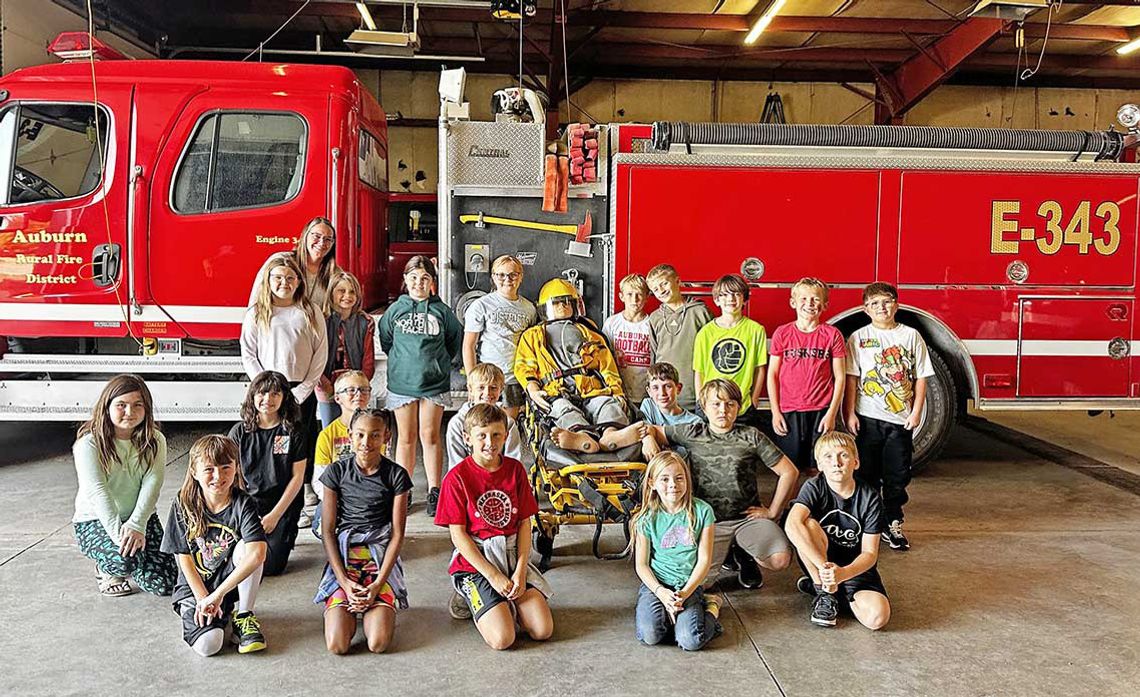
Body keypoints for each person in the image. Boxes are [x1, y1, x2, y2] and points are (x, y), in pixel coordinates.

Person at [645, 379, 797, 591]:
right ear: (704, 407)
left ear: (738, 407)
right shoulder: (693, 432)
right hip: (709, 522)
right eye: (716, 404)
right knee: (699, 585)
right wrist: (648, 439)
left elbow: (789, 471)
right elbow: (651, 429)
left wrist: (773, 511)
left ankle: (744, 553)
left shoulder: (751, 436)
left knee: (779, 559)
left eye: (730, 404)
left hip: (746, 518)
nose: (723, 410)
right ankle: (727, 550)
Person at [434, 403, 554, 650]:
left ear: (506, 436)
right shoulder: (456, 478)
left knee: (542, 630)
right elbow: (458, 535)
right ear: (467, 438)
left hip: (510, 555)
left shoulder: (515, 470)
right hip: (476, 562)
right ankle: (471, 595)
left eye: (497, 435)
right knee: (503, 639)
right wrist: (493, 576)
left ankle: (505, 603)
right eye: (482, 436)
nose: (490, 442)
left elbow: (523, 523)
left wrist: (520, 570)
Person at [844, 282, 934, 552]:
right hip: (867, 419)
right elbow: (852, 378)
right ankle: (866, 522)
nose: (881, 308)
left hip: (900, 421)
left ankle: (893, 522)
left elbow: (920, 378)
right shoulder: (858, 337)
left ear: (896, 304)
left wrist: (917, 411)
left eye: (886, 301)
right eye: (874, 303)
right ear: (865, 309)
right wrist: (849, 413)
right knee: (866, 474)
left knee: (897, 475)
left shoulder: (911, 336)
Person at [241, 254, 328, 529]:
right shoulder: (258, 312)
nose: (284, 282)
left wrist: (303, 390)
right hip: (267, 394)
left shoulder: (310, 311)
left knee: (298, 446)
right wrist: (264, 388)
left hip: (300, 391)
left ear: (298, 282)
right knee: (270, 450)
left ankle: (301, 497)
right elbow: (248, 353)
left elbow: (320, 354)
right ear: (268, 281)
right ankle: (267, 503)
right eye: (278, 278)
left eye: (290, 278)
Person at [161, 435, 269, 656]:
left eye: (225, 467)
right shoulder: (183, 503)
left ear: (236, 468)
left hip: (225, 587)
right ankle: (215, 613)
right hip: (194, 588)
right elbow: (184, 559)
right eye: (209, 469)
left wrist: (218, 594)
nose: (218, 476)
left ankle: (244, 615)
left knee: (248, 550)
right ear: (194, 471)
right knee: (209, 645)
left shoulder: (243, 502)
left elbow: (258, 554)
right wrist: (203, 598)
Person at [315, 409, 412, 654]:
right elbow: (328, 531)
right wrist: (345, 583)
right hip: (345, 562)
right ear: (350, 435)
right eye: (360, 435)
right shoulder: (336, 473)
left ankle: (375, 604)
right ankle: (347, 601)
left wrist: (379, 584)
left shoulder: (396, 475)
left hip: (378, 563)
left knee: (378, 643)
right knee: (337, 645)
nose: (366, 443)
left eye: (374, 435)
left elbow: (397, 534)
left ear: (386, 437)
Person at [72, 374, 176, 597]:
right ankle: (106, 569)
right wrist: (121, 536)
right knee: (125, 558)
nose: (129, 412)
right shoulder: (88, 444)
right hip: (97, 520)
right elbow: (97, 490)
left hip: (141, 518)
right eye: (121, 405)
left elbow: (153, 482)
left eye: (137, 405)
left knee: (166, 584)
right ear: (107, 407)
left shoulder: (155, 439)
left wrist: (137, 525)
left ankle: (138, 562)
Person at [514, 278, 645, 454]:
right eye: (558, 303)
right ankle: (581, 436)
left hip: (591, 387)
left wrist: (617, 391)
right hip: (556, 390)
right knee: (563, 409)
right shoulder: (533, 335)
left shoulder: (589, 332)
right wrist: (533, 389)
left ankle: (611, 434)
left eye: (568, 302)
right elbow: (524, 365)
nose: (563, 306)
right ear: (546, 307)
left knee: (606, 404)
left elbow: (606, 365)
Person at [378, 255, 463, 517]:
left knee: (430, 436)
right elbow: (386, 340)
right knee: (405, 438)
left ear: (432, 282)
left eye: (424, 278)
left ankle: (434, 490)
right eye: (413, 278)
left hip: (434, 383)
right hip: (403, 382)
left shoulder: (442, 311)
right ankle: (403, 488)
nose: (418, 283)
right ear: (405, 280)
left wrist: (437, 364)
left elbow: (453, 341)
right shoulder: (396, 310)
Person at [784, 432, 891, 630]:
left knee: (877, 619)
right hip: (820, 561)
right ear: (820, 466)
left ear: (856, 462)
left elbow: (869, 554)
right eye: (828, 457)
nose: (836, 462)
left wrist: (841, 574)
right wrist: (826, 570)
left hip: (853, 566)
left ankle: (824, 590)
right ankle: (824, 591)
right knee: (806, 524)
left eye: (843, 455)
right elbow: (792, 525)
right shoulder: (814, 486)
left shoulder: (870, 498)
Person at [632, 451, 721, 651]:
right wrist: (661, 593)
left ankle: (712, 608)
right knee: (650, 635)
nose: (673, 484)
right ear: (652, 483)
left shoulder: (703, 511)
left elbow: (704, 560)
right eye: (665, 479)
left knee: (691, 641)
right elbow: (642, 564)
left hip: (688, 585)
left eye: (679, 478)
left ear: (687, 480)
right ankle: (666, 614)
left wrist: (685, 593)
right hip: (657, 585)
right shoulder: (645, 518)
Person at [226, 371, 307, 576]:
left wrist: (274, 516)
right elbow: (234, 476)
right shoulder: (239, 432)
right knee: (227, 556)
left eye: (275, 394)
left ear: (284, 398)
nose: (267, 400)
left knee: (270, 566)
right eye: (261, 394)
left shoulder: (294, 431)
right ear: (252, 397)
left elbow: (298, 477)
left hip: (281, 507)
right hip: (246, 505)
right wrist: (247, 512)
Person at [767, 278, 846, 473]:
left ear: (825, 304)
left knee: (818, 466)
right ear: (793, 302)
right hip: (789, 411)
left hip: (821, 411)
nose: (809, 304)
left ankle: (818, 502)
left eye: (815, 299)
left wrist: (832, 413)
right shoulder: (782, 333)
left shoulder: (832, 335)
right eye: (803, 298)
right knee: (790, 469)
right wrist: (775, 412)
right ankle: (791, 504)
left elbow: (841, 377)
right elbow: (772, 374)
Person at [462, 254, 537, 420]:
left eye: (513, 274)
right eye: (501, 275)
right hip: (486, 381)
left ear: (521, 276)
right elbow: (469, 346)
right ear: (493, 277)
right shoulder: (480, 305)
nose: (507, 279)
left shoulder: (530, 309)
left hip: (514, 379)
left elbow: (531, 347)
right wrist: (472, 382)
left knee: (508, 427)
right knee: (483, 425)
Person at [692, 274, 768, 425]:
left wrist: (753, 400)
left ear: (744, 299)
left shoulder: (756, 330)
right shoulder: (705, 333)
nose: (731, 299)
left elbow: (759, 369)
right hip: (712, 407)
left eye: (736, 294)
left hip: (743, 407)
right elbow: (699, 372)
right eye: (725, 295)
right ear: (716, 300)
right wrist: (701, 402)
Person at [646, 264, 713, 411]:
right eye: (655, 289)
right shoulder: (655, 318)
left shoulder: (700, 312)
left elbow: (711, 353)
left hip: (695, 392)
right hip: (665, 396)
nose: (661, 290)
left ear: (677, 281)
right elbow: (654, 354)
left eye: (664, 283)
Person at [316, 270, 376, 429]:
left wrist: (360, 385)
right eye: (341, 291)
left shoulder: (365, 322)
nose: (347, 296)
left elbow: (368, 358)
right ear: (331, 294)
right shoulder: (321, 321)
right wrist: (324, 384)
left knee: (355, 427)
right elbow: (314, 357)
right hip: (326, 384)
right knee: (330, 427)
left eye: (352, 292)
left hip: (354, 388)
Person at [248, 216, 340, 315]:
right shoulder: (281, 261)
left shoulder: (335, 273)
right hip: (276, 328)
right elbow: (256, 301)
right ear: (305, 236)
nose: (322, 242)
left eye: (328, 239)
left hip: (315, 329)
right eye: (316, 236)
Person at [446, 363, 524, 471]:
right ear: (470, 389)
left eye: (493, 388)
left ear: (501, 390)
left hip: (500, 481)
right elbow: (456, 466)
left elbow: (514, 463)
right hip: (467, 481)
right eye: (481, 387)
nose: (487, 393)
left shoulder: (508, 424)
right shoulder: (457, 424)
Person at [314, 370, 375, 503]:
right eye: (351, 390)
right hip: (337, 499)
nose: (359, 394)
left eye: (364, 389)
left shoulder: (377, 431)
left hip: (370, 498)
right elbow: (319, 479)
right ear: (337, 398)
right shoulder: (327, 435)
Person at [602, 273, 653, 403]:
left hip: (647, 394)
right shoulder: (612, 323)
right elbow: (604, 356)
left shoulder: (652, 324)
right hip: (620, 392)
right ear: (621, 296)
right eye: (629, 294)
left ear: (647, 297)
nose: (634, 299)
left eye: (639, 294)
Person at [637, 362, 702, 461]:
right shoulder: (648, 405)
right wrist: (648, 438)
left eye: (667, 386)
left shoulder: (694, 422)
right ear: (649, 391)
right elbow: (642, 429)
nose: (662, 393)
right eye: (655, 388)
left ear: (678, 388)